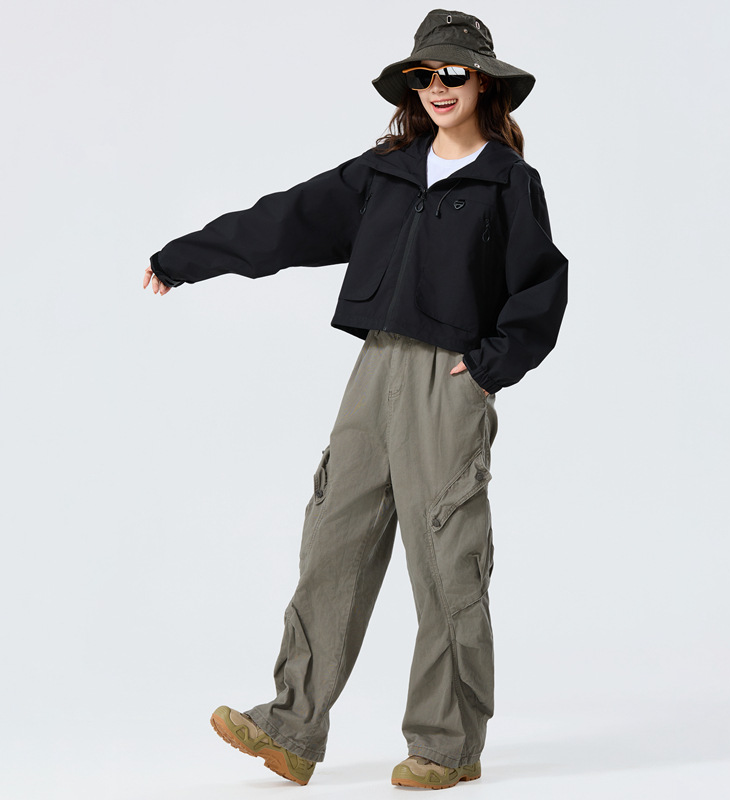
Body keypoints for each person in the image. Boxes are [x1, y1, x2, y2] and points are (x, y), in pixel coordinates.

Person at [143, 8, 568, 790]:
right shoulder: (387, 173)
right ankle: (291, 726)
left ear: (484, 83)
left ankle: (448, 745)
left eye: (453, 73)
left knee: (446, 558)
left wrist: (488, 367)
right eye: (423, 75)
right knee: (333, 535)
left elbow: (541, 286)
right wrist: (185, 258)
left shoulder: (509, 182)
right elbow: (287, 221)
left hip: (448, 380)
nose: (437, 87)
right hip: (375, 370)